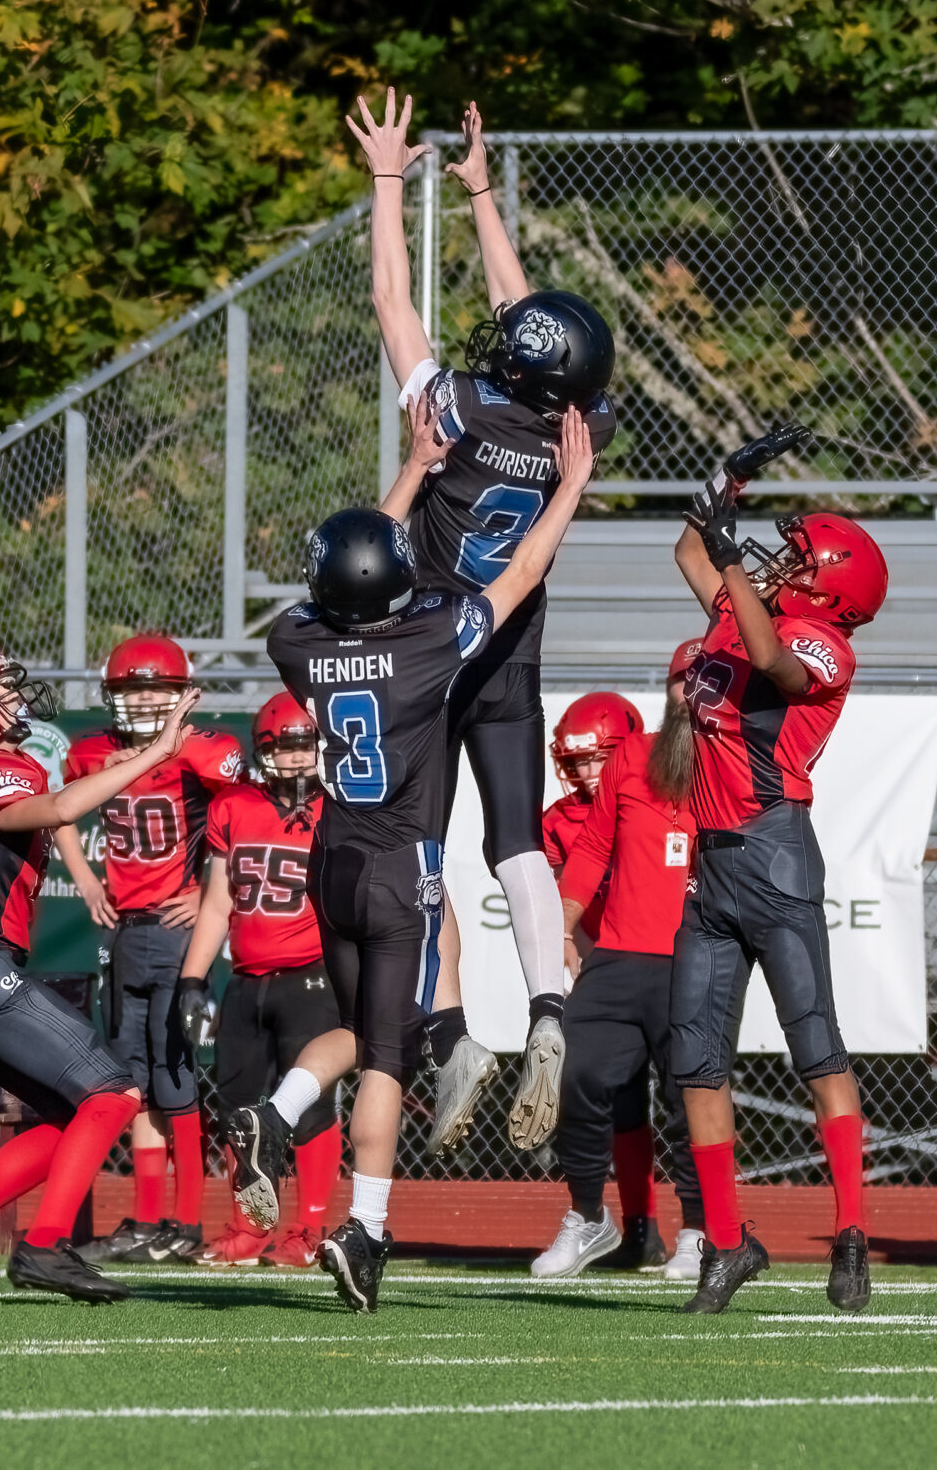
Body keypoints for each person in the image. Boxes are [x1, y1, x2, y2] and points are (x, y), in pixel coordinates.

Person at [225, 393, 597, 1313]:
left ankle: (274, 1113)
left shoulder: (298, 641)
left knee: (361, 1030)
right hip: (401, 870)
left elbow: (347, 573)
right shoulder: (430, 640)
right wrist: (570, 487)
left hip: (332, 862)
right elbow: (521, 572)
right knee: (388, 1057)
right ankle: (368, 1229)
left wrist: (411, 471)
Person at [350, 88, 619, 1151]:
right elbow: (533, 323)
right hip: (509, 646)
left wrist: (389, 180)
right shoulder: (575, 432)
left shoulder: (454, 412)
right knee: (518, 843)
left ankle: (455, 1032)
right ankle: (548, 1006)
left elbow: (390, 295)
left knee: (420, 848)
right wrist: (480, 196)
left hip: (430, 647)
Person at [0, 644, 203, 1304]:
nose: (12, 697)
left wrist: (119, 764)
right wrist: (155, 753)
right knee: (115, 1091)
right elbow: (57, 810)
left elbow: (52, 798)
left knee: (73, 1110)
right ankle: (44, 1246)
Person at [664, 433, 886, 1316]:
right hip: (713, 861)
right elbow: (689, 550)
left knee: (815, 1046)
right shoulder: (742, 606)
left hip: (774, 851)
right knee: (696, 1061)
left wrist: (733, 564)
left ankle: (852, 1228)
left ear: (827, 587)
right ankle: (727, 1242)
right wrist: (730, 478)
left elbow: (772, 663)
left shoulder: (826, 644)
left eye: (797, 558)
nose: (778, 562)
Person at [57, 634, 247, 1265]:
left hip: (175, 931)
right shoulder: (91, 753)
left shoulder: (204, 752)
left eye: (155, 690)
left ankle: (186, 1221)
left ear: (181, 695)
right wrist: (85, 879)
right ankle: (145, 1220)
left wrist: (210, 895)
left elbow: (243, 824)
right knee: (132, 1081)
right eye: (132, 690)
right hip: (126, 931)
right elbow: (60, 812)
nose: (142, 701)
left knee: (174, 1076)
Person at [531, 678, 709, 1279]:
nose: (586, 773)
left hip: (687, 954)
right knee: (577, 1075)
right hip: (611, 955)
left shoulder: (717, 766)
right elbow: (586, 860)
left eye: (596, 759)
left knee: (690, 1096)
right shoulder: (590, 797)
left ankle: (698, 1228)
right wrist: (568, 939)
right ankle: (593, 1217)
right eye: (576, 762)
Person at [175, 693, 351, 1267]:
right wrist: (193, 978)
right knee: (238, 1106)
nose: (297, 760)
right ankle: (250, 1229)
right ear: (262, 752)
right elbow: (217, 901)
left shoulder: (341, 810)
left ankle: (308, 1229)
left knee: (312, 1106)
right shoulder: (233, 806)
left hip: (312, 978)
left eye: (306, 747)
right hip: (247, 980)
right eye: (285, 748)